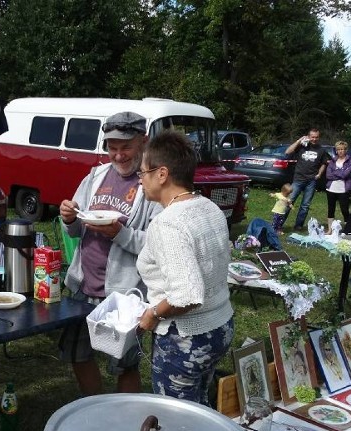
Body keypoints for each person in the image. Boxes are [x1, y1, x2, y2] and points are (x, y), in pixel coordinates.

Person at [58, 111, 162, 396]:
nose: (118, 155)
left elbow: (158, 246)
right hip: (82, 285)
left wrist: (119, 233)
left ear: (144, 141)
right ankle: (96, 405)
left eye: (125, 147)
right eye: (112, 148)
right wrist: (69, 218)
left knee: (124, 365)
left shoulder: (153, 184)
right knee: (78, 354)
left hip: (124, 295)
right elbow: (76, 230)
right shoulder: (95, 176)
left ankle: (123, 415)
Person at [136, 131, 234, 405]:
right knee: (199, 402)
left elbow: (187, 294)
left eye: (143, 173)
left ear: (162, 174)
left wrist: (153, 314)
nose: (140, 180)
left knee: (176, 416)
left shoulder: (168, 224)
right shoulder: (209, 207)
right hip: (219, 326)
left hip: (187, 337)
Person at [283, 128, 332, 231]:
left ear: (319, 137)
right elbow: (288, 151)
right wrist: (298, 141)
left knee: (305, 205)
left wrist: (319, 173)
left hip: (311, 181)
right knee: (288, 201)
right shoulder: (302, 146)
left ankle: (298, 225)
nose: (314, 139)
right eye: (312, 137)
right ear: (308, 137)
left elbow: (324, 163)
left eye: (316, 137)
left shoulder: (321, 150)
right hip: (298, 179)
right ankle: (279, 224)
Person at [325, 141, 351, 234]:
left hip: (343, 189)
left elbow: (346, 174)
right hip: (331, 188)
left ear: (345, 150)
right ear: (336, 151)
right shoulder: (333, 160)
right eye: (338, 149)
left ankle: (348, 229)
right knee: (331, 209)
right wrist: (340, 172)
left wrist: (337, 172)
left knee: (344, 209)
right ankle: (330, 229)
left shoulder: (350, 160)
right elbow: (328, 175)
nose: (340, 151)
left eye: (342, 149)